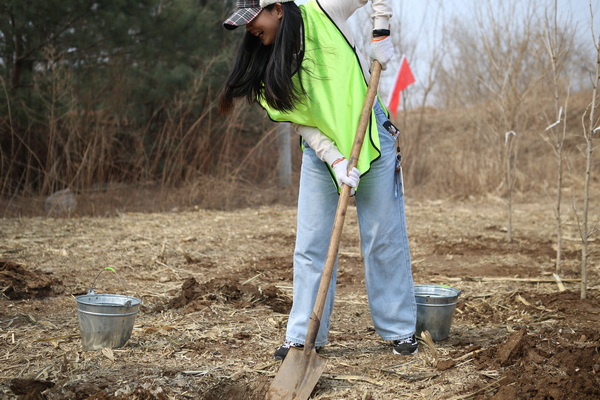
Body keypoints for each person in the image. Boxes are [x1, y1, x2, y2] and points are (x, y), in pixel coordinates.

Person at [219, 0, 418, 360]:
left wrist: (381, 32)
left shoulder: (323, 9)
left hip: (369, 130)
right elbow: (302, 123)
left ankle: (399, 329)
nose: (249, 29)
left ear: (277, 9)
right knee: (310, 243)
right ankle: (303, 336)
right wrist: (336, 158)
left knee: (381, 236)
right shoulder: (265, 63)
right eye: (243, 23)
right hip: (321, 148)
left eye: (253, 19)